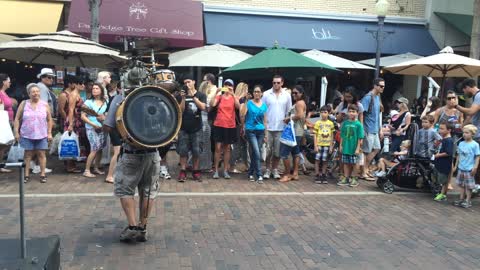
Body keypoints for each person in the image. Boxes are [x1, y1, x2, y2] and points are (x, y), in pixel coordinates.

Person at [103, 90, 160, 243]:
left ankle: (133, 227)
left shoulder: (121, 98)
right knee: (148, 190)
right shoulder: (155, 96)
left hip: (131, 153)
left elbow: (108, 126)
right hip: (153, 152)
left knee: (125, 188)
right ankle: (143, 227)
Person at [13, 83, 53, 183]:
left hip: (41, 134)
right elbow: (17, 118)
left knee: (41, 154)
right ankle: (26, 175)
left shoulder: (44, 104)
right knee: (28, 155)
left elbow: (49, 119)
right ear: (29, 94)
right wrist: (16, 132)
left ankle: (42, 174)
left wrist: (49, 133)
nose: (36, 93)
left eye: (37, 91)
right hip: (26, 134)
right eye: (33, 92)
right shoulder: (24, 103)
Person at [176, 76, 206, 182]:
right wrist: (183, 98)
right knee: (183, 151)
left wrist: (193, 96)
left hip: (196, 128)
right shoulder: (180, 95)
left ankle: (195, 171)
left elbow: (203, 107)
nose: (187, 84)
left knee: (196, 151)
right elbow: (180, 111)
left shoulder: (201, 95)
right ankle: (183, 171)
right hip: (184, 128)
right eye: (185, 82)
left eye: (188, 81)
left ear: (194, 82)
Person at [262, 75, 292, 179]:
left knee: (277, 151)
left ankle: (274, 169)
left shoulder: (287, 95)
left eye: (278, 82)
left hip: (281, 128)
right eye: (274, 82)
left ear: (282, 83)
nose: (276, 84)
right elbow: (262, 110)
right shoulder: (266, 94)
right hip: (268, 127)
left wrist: (287, 120)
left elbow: (289, 111)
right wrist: (264, 126)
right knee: (268, 151)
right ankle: (267, 169)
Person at [210, 79, 240, 179]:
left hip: (230, 125)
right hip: (219, 124)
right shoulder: (220, 96)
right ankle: (216, 170)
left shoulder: (233, 97)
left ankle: (226, 170)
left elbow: (238, 107)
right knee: (218, 148)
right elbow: (212, 104)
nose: (227, 86)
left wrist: (233, 94)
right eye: (226, 85)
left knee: (227, 148)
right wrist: (216, 92)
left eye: (229, 85)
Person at [279, 85, 306, 182]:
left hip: (293, 132)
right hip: (297, 131)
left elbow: (300, 115)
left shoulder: (299, 103)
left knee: (284, 153)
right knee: (296, 152)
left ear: (301, 94)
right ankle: (295, 173)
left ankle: (287, 174)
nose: (294, 94)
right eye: (293, 93)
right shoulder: (300, 103)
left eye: (296, 93)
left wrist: (288, 118)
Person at [241, 85, 267, 183]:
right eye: (255, 91)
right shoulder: (249, 103)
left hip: (260, 131)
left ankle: (251, 173)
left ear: (261, 93)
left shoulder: (264, 105)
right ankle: (259, 174)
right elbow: (242, 114)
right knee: (256, 151)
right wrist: (246, 101)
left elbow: (265, 121)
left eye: (258, 92)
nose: (256, 93)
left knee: (255, 153)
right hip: (250, 130)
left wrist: (266, 134)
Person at [81, 83, 108, 179]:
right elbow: (83, 116)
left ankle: (96, 167)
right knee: (94, 148)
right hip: (91, 128)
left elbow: (105, 113)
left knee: (100, 149)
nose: (94, 90)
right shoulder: (88, 102)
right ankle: (87, 170)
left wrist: (104, 118)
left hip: (102, 127)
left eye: (97, 88)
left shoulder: (105, 101)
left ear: (101, 90)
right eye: (93, 88)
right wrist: (93, 124)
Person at [361, 78, 384, 178]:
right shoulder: (368, 97)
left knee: (377, 148)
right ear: (375, 86)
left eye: (383, 86)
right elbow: (361, 113)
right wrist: (362, 128)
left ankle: (365, 168)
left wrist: (380, 128)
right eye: (381, 86)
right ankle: (363, 171)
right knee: (366, 151)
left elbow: (378, 115)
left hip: (375, 127)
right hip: (368, 128)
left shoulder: (377, 97)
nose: (382, 88)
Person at [453, 124, 480, 208]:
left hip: (469, 168)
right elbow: (458, 155)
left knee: (469, 186)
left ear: (472, 134)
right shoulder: (461, 143)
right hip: (461, 167)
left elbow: (477, 156)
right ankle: (461, 199)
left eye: (467, 132)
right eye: (463, 132)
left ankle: (468, 200)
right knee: (461, 184)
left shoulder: (475, 144)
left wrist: (475, 167)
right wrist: (456, 166)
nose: (464, 134)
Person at [338, 104, 364, 187]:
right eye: (350, 111)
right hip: (346, 146)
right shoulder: (345, 123)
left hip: (354, 147)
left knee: (354, 163)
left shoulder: (358, 124)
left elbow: (360, 138)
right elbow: (342, 135)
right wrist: (341, 145)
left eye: (353, 111)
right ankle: (346, 177)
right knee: (346, 162)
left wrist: (357, 148)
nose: (351, 113)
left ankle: (354, 177)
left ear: (357, 113)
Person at [63, 76, 86, 173]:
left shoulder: (78, 94)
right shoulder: (73, 94)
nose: (83, 86)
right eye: (81, 84)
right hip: (73, 120)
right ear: (76, 84)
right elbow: (71, 110)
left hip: (78, 120)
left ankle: (72, 165)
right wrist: (71, 124)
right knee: (71, 142)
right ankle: (70, 166)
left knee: (75, 142)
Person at [313, 105, 335, 184]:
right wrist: (315, 145)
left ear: (329, 113)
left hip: (327, 144)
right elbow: (315, 134)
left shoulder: (331, 124)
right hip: (319, 144)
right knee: (317, 159)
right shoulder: (318, 123)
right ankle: (317, 174)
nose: (323, 114)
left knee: (325, 160)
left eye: (325, 112)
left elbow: (332, 135)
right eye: (321, 112)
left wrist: (331, 146)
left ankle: (323, 174)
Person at [433, 123, 454, 202]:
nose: (439, 130)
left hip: (444, 164)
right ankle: (440, 192)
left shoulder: (449, 140)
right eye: (439, 128)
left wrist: (438, 155)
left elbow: (448, 152)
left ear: (449, 130)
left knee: (444, 180)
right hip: (439, 163)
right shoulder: (443, 139)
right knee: (439, 178)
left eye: (442, 129)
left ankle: (443, 194)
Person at [0, 74, 13, 173]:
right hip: (2, 122)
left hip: (6, 121)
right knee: (2, 143)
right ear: (3, 82)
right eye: (8, 81)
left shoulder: (4, 93)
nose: (10, 82)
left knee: (4, 144)